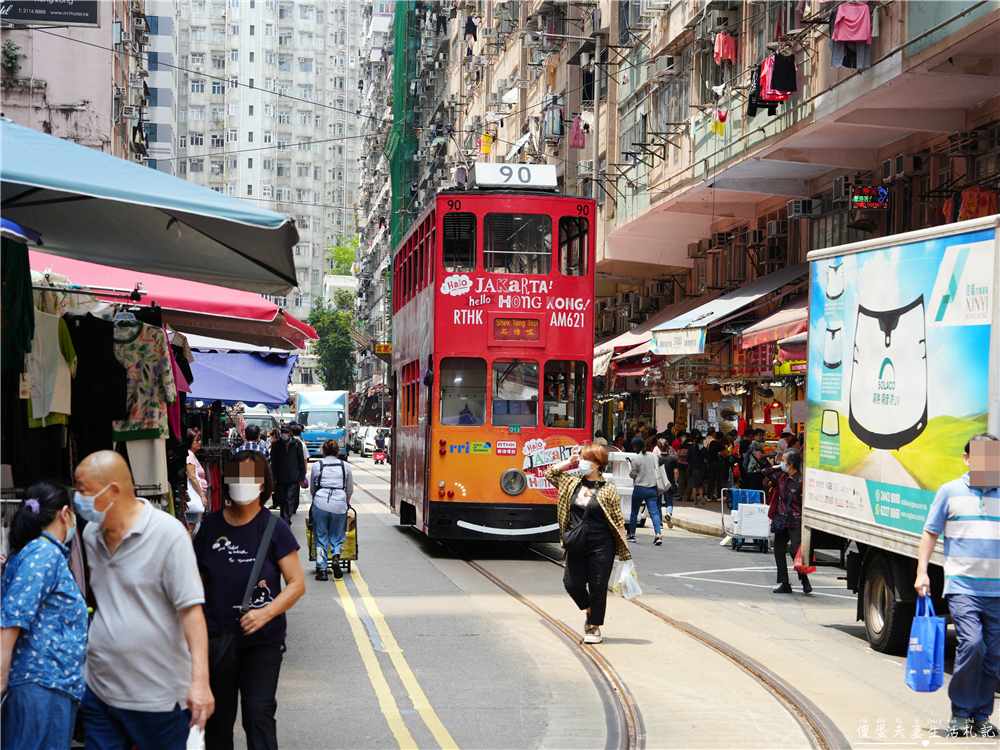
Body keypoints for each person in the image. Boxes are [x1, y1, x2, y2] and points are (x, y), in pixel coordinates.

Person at [74, 451, 214, 750]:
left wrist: (200, 682)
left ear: (113, 490)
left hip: (158, 698)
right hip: (100, 690)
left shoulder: (168, 535)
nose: (77, 499)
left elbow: (192, 612)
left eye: (83, 490)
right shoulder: (91, 535)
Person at [193, 449, 305, 750]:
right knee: (217, 722)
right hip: (217, 640)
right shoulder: (210, 527)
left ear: (263, 484)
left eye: (250, 478)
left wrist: (265, 613)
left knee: (258, 714)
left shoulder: (274, 528)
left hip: (262, 642)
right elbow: (194, 584)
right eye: (236, 477)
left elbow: (296, 584)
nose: (242, 483)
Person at [914, 434, 999, 737]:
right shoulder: (949, 491)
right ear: (967, 459)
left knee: (993, 656)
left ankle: (981, 715)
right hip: (963, 587)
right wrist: (922, 572)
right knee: (972, 644)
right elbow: (930, 533)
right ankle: (960, 713)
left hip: (997, 591)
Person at [1, 482, 88, 750]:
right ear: (65, 513)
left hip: (48, 684)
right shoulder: (44, 553)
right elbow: (13, 616)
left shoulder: (36, 552)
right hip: (41, 683)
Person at [549, 444, 631, 644]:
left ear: (597, 464)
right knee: (572, 585)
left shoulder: (608, 489)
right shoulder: (571, 482)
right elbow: (550, 474)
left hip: (602, 545)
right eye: (582, 459)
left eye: (587, 460)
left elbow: (619, 522)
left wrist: (626, 554)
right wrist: (570, 461)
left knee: (597, 586)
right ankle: (590, 610)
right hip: (577, 543)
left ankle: (594, 626)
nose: (582, 463)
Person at [310, 439, 354, 581]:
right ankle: (335, 558)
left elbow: (312, 489)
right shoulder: (345, 466)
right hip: (339, 504)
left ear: (323, 452)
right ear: (338, 452)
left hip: (320, 502)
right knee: (338, 535)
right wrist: (344, 505)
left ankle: (322, 570)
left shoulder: (317, 466)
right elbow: (349, 490)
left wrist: (317, 502)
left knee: (320, 536)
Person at [771, 449, 811, 595]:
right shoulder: (782, 477)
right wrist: (776, 467)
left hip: (796, 521)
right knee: (779, 551)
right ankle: (784, 583)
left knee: (796, 553)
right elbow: (765, 471)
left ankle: (804, 579)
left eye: (783, 460)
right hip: (782, 521)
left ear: (791, 463)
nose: (781, 462)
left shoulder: (801, 481)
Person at [625, 436, 663, 545]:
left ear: (636, 446)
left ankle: (632, 535)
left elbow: (632, 475)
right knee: (654, 513)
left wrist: (629, 465)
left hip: (639, 489)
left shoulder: (636, 459)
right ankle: (658, 535)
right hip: (652, 489)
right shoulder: (654, 457)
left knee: (634, 512)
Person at [270, 424, 305, 524]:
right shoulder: (277, 445)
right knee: (282, 501)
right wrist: (274, 477)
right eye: (282, 432)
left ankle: (286, 521)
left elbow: (301, 461)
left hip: (293, 478)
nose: (284, 434)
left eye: (286, 432)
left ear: (290, 433)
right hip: (280, 479)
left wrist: (301, 476)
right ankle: (284, 520)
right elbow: (274, 462)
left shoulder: (297, 444)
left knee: (289, 500)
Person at [186, 428, 209, 516]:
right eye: (196, 440)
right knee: (191, 525)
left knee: (194, 524)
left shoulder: (191, 455)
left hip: (197, 492)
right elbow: (192, 477)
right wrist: (202, 495)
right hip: (195, 493)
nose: (199, 442)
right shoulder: (189, 456)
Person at [656, 438, 678, 530]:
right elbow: (676, 471)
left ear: (658, 447)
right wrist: (675, 482)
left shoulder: (656, 458)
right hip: (669, 483)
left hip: (659, 483)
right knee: (669, 502)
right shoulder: (673, 458)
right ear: (667, 447)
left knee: (658, 503)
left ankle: (660, 522)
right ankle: (668, 514)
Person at [290, 424, 309, 514]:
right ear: (300, 433)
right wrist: (305, 470)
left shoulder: (287, 442)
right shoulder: (302, 444)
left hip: (288, 470)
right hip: (297, 470)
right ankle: (294, 507)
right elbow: (305, 459)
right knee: (296, 489)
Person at [685, 431, 707, 504]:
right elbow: (707, 459)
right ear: (701, 441)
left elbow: (687, 459)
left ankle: (695, 501)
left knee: (694, 486)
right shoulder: (704, 449)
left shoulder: (691, 449)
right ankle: (701, 494)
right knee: (700, 484)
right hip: (701, 469)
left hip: (692, 468)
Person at [706, 430, 728, 502]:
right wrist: (726, 449)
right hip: (719, 463)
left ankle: (709, 496)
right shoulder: (719, 445)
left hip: (711, 463)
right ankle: (719, 496)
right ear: (721, 438)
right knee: (719, 480)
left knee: (711, 480)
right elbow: (724, 455)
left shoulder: (711, 443)